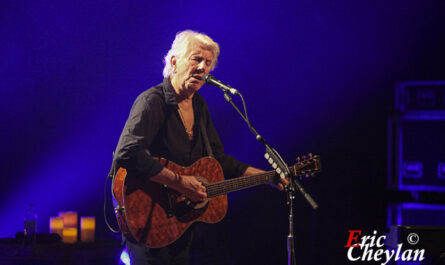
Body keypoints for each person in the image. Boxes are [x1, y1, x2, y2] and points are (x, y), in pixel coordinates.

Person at [113, 30, 288, 265]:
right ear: (174, 61)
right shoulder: (152, 101)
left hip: (178, 224)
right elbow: (127, 151)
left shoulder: (199, 105)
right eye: (196, 59)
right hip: (148, 217)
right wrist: (178, 181)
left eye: (208, 63)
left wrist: (267, 177)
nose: (203, 67)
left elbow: (217, 159)